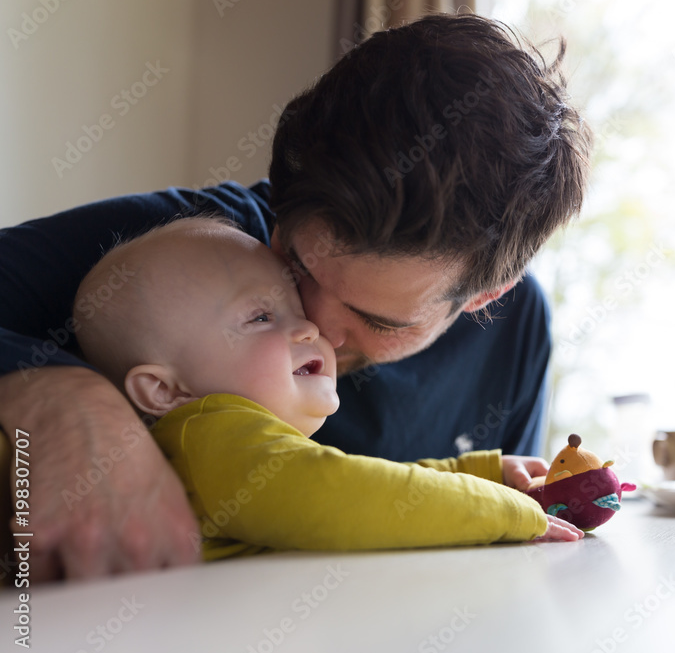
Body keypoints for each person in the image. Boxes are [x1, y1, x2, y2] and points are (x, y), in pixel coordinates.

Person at [0, 13, 591, 579]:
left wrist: (494, 485)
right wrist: (61, 393)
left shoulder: (518, 333)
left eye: (375, 319)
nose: (316, 325)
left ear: (485, 297)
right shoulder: (188, 250)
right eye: (295, 266)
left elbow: (498, 550)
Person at [54, 217, 582, 557]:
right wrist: (508, 513)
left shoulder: (239, 448)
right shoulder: (210, 440)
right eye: (261, 316)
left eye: (292, 307)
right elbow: (354, 495)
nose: (311, 327)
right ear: (164, 391)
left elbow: (363, 479)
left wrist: (482, 472)